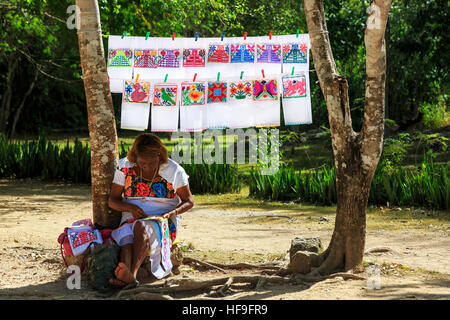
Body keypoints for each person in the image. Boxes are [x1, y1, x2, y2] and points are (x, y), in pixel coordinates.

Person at [107, 133, 194, 287]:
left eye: (152, 163)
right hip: (131, 216)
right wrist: (131, 208)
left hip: (164, 219)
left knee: (142, 226)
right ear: (135, 157)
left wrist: (172, 213)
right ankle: (124, 276)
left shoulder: (174, 171)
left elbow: (189, 201)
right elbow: (112, 201)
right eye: (142, 163)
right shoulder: (124, 167)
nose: (147, 167)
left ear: (159, 157)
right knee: (127, 235)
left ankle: (132, 274)